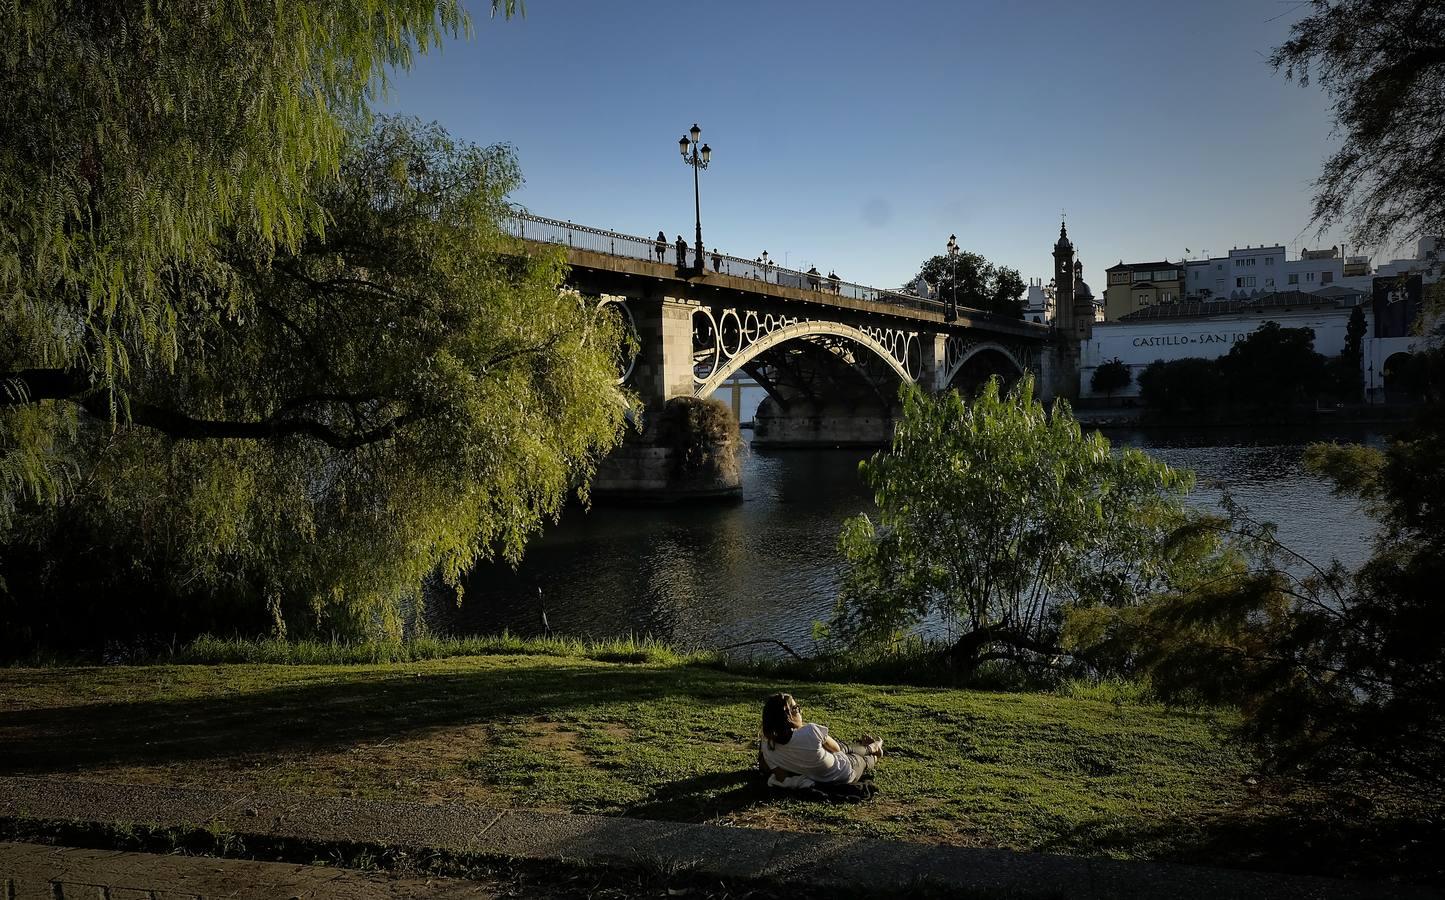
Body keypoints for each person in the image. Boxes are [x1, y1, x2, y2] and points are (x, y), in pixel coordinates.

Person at [759, 692, 881, 787]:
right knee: (860, 760)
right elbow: (836, 749)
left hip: (818, 774)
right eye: (796, 708)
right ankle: (875, 752)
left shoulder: (767, 745)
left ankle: (870, 747)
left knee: (843, 748)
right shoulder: (811, 731)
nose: (800, 712)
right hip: (845, 771)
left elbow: (782, 776)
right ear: (790, 715)